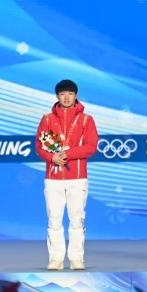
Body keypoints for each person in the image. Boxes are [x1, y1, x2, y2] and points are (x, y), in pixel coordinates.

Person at [35, 79, 99, 270]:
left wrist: (67, 154)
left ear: (75, 95)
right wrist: (52, 157)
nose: (66, 97)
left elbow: (91, 146)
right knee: (54, 219)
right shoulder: (47, 119)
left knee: (76, 219)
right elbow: (39, 146)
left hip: (77, 178)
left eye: (70, 94)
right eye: (62, 94)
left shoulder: (86, 120)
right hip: (53, 178)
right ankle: (55, 259)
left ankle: (77, 258)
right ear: (57, 96)